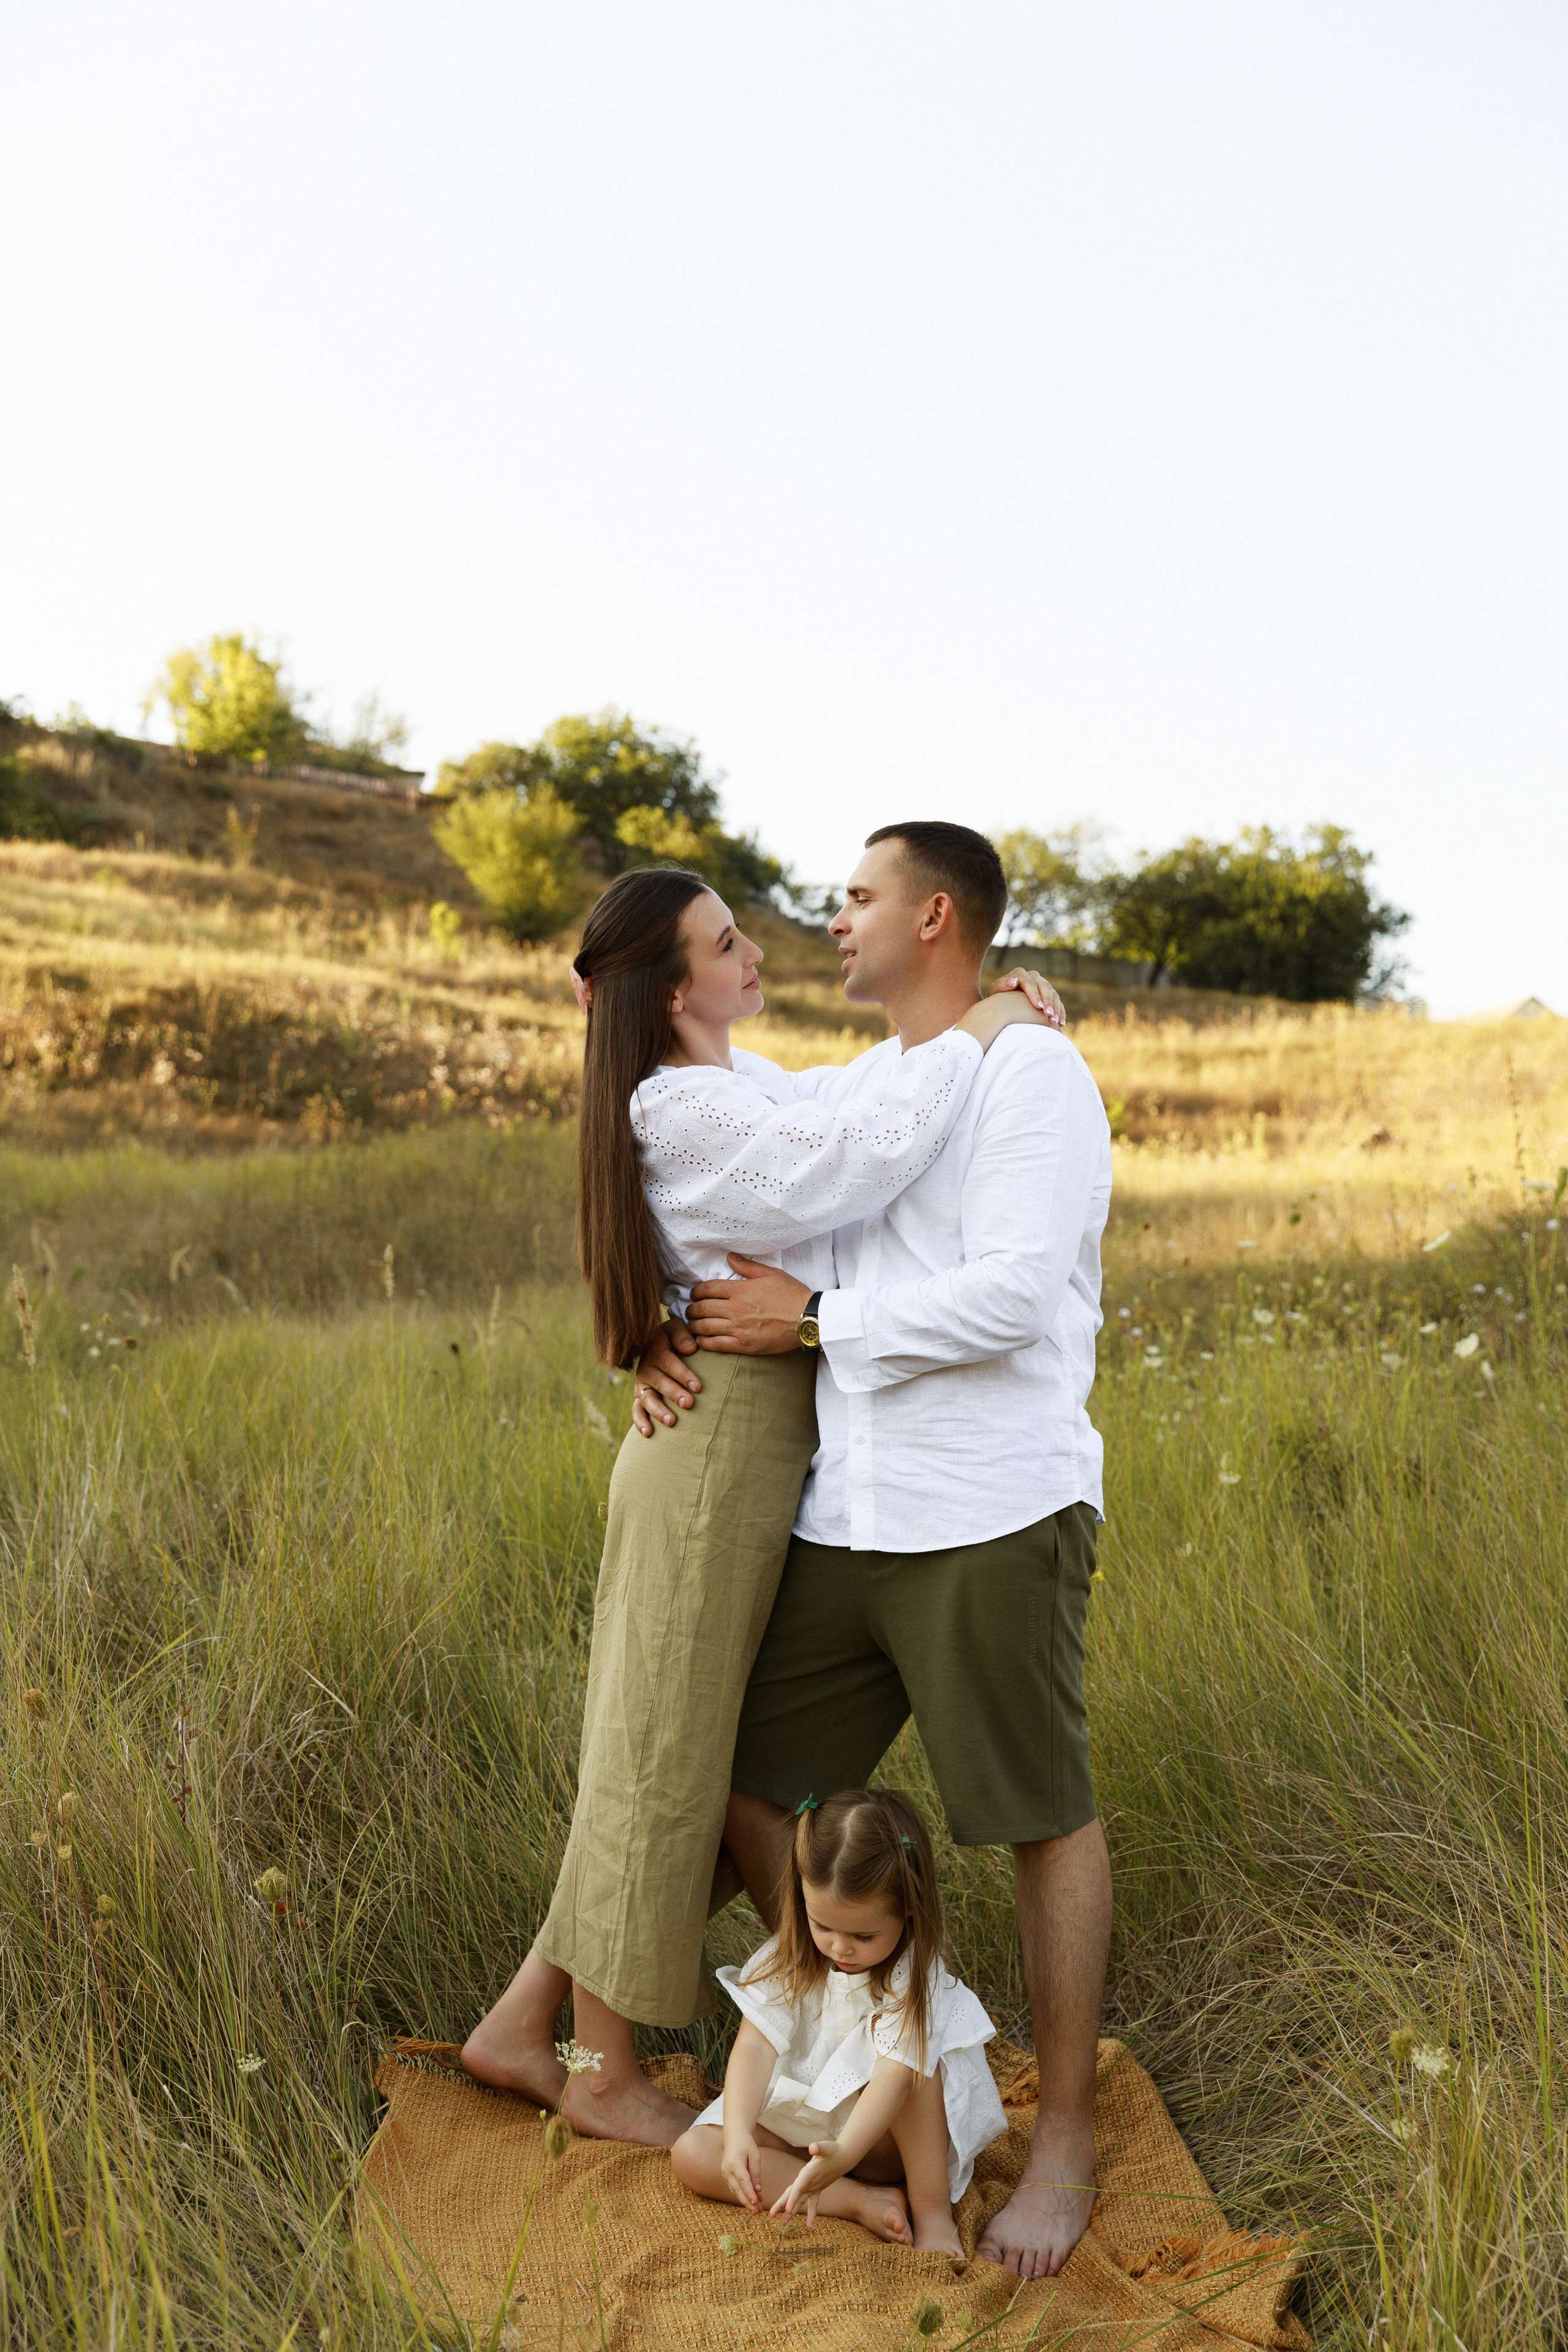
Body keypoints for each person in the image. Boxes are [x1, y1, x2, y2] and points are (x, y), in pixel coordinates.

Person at [461, 863, 1061, 2146]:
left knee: (674, 1739)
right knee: (658, 1749)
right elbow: (853, 1158)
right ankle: (600, 2065)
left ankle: (523, 2026)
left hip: (753, 1438)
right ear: (674, 987)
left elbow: (844, 1098)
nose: (758, 956)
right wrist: (982, 1029)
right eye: (726, 945)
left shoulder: (734, 1083)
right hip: (719, 1438)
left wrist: (981, 1009)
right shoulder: (676, 1105)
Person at [634, 821, 1114, 2279]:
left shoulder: (1032, 1070)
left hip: (987, 1504)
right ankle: (910, 2047)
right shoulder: (876, 1079)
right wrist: (650, 1330)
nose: (828, 918)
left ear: (936, 914)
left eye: (856, 896)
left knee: (1032, 1813)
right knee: (737, 1773)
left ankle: (1071, 2140)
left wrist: (823, 1323)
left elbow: (1015, 1297)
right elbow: (734, 1190)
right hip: (846, 1511)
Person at [670, 1787, 1006, 2255]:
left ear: (909, 1910)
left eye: (863, 1935)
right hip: (806, 2128)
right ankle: (853, 2200)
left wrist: (846, 2153)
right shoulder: (789, 1958)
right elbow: (755, 2047)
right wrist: (741, 2133)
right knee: (693, 2155)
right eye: (822, 1925)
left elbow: (892, 2078)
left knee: (915, 2072)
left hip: (879, 2141)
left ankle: (931, 2212)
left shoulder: (914, 1980)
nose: (840, 1948)